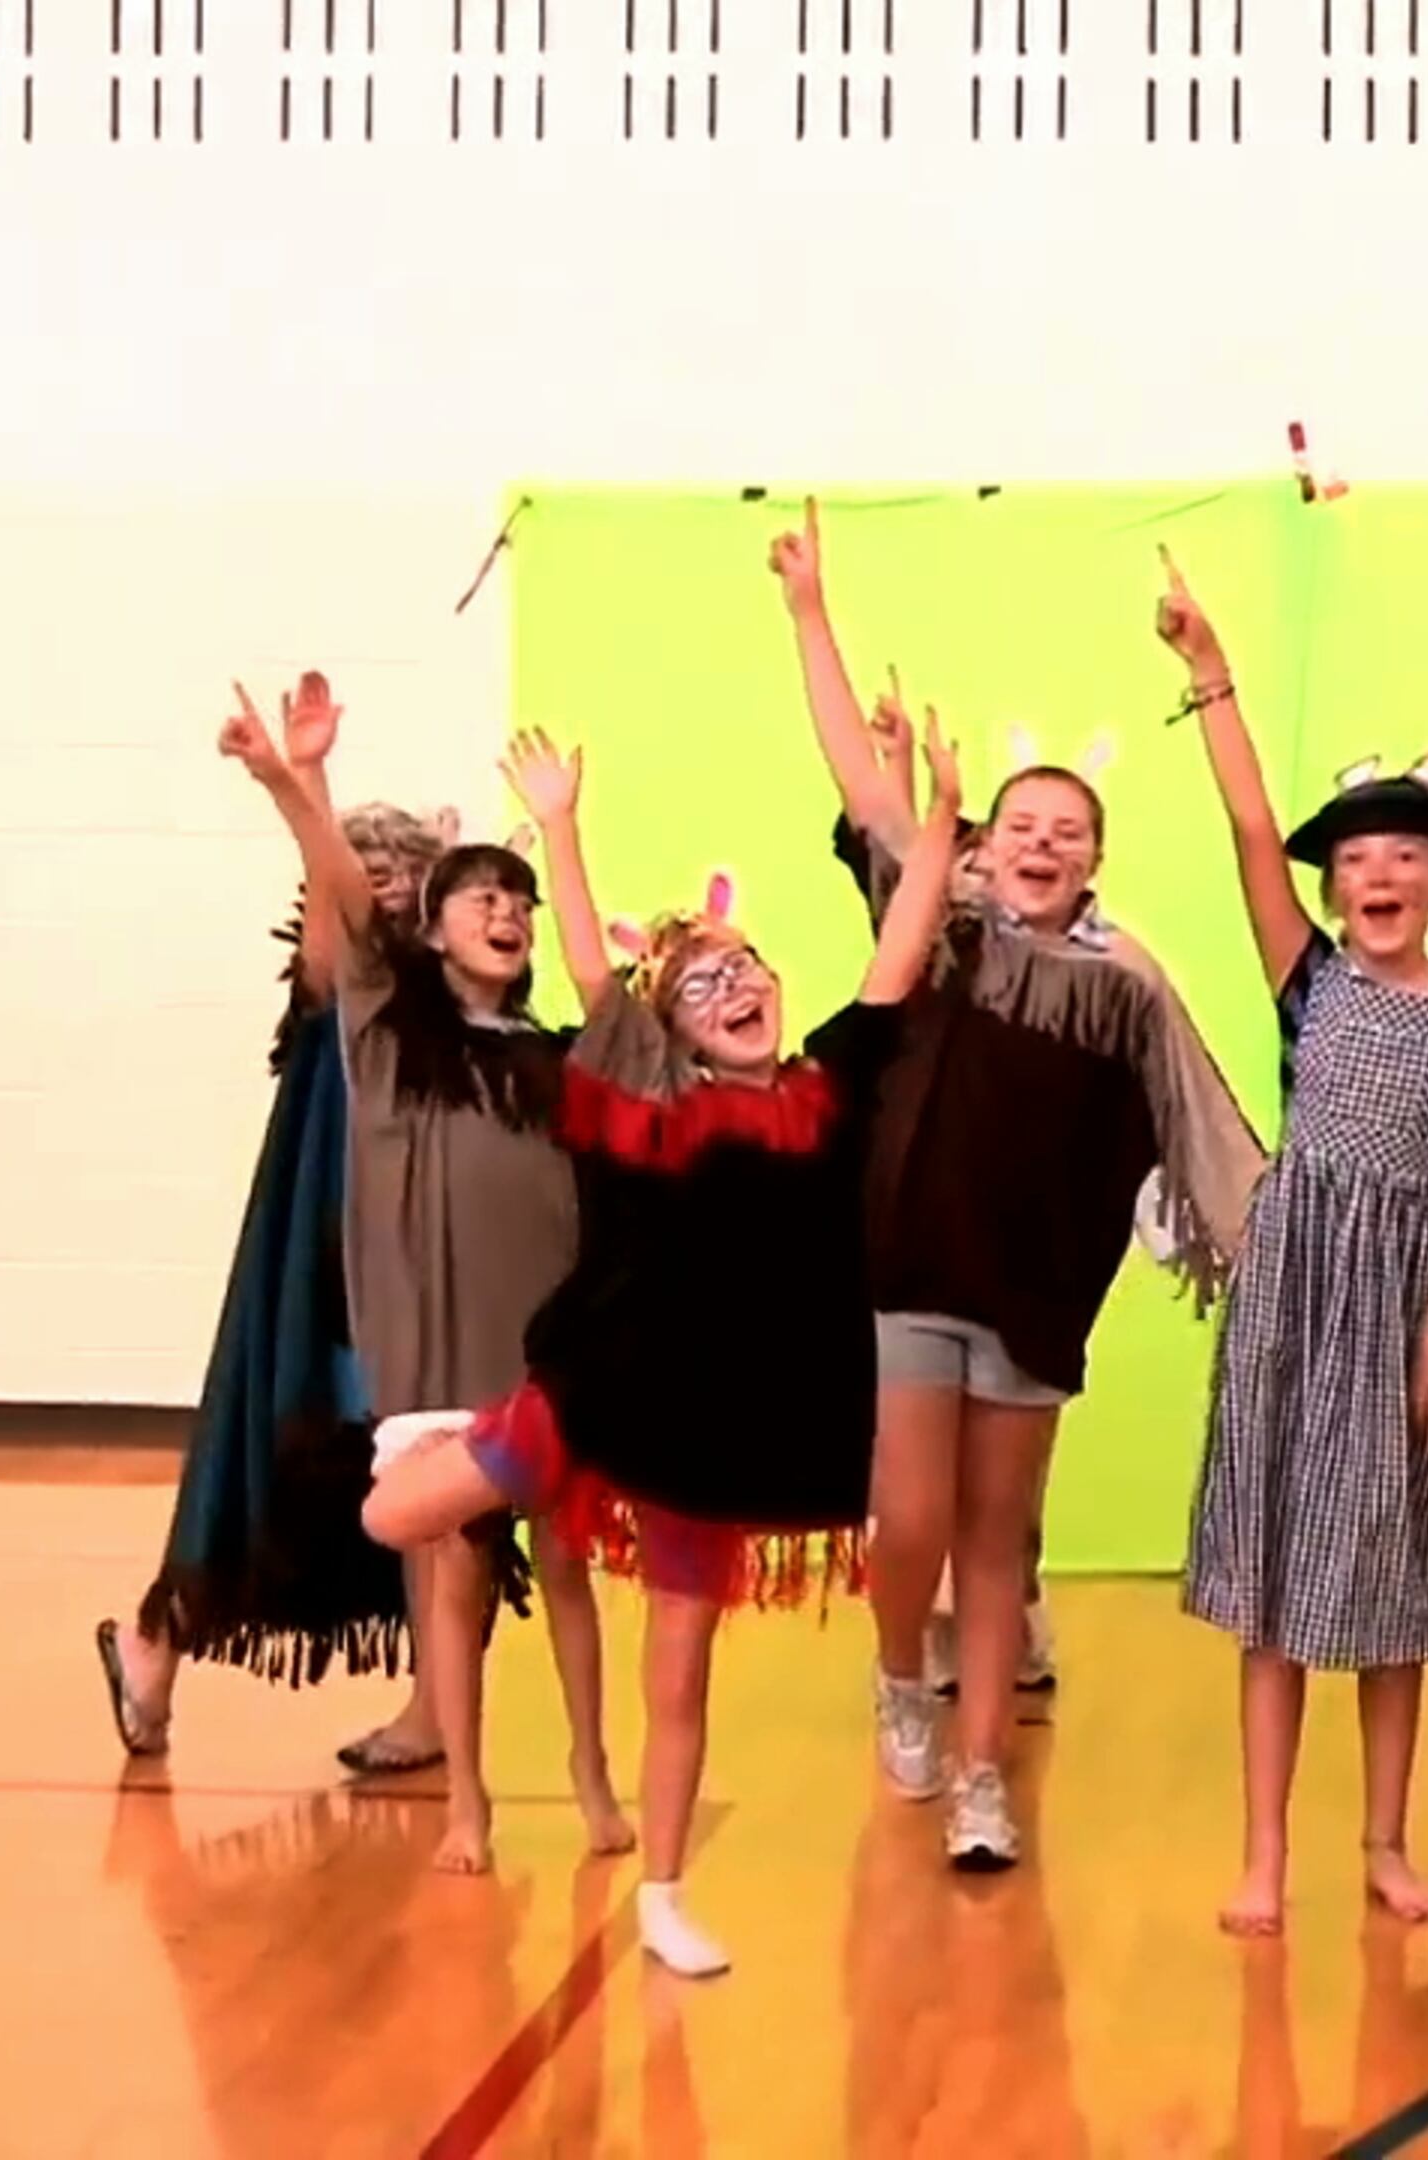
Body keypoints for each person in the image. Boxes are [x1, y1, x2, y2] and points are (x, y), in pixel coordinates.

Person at [366, 721, 963, 1977]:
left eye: (748, 969)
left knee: (681, 1679)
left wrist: (942, 815)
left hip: (723, 1433)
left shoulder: (828, 1089)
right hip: (615, 1393)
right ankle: (459, 1434)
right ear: (673, 1033)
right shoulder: (648, 1109)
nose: (736, 989)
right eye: (702, 986)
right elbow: (594, 979)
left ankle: (666, 1897)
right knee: (390, 1522)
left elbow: (903, 954)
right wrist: (566, 831)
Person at [771, 503, 1266, 1870]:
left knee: (998, 1544)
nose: (1044, 842)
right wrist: (812, 610)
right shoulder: (944, 933)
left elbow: (1213, 1139)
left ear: (1095, 860)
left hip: (1036, 1301)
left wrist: (1291, 1259)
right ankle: (898, 1677)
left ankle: (985, 1777)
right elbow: (871, 796)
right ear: (987, 842)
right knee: (913, 1522)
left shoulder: (1128, 987)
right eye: (1024, 822)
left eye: (1071, 831)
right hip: (912, 1269)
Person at [1159, 546, 1428, 1936]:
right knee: (1277, 1583)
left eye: (1404, 858)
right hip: (1300, 1290)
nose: (1376, 876)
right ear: (1333, 893)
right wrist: (1213, 677)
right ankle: (1265, 1851)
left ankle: (1383, 1838)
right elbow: (1255, 831)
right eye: (1356, 862)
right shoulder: (1307, 980)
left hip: (1412, 1301)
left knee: (1394, 1580)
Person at [219, 683, 615, 1875]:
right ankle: (469, 1808)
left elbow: (608, 996)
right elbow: (342, 897)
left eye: (519, 903)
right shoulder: (390, 1032)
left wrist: (563, 835)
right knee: (450, 1575)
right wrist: (303, 785)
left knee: (565, 1564)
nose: (505, 913)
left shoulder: (552, 1059)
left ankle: (594, 1773)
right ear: (434, 933)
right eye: (479, 898)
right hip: (436, 1356)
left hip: (547, 1352)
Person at [98, 793, 509, 1774]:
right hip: (328, 1276)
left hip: (428, 1270)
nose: (387, 882)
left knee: (454, 1489)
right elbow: (339, 927)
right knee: (275, 1472)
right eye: (366, 867)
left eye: (408, 868)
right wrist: (307, 793)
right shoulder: (337, 990)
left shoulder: (453, 1008)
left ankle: (431, 1711)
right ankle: (153, 1649)